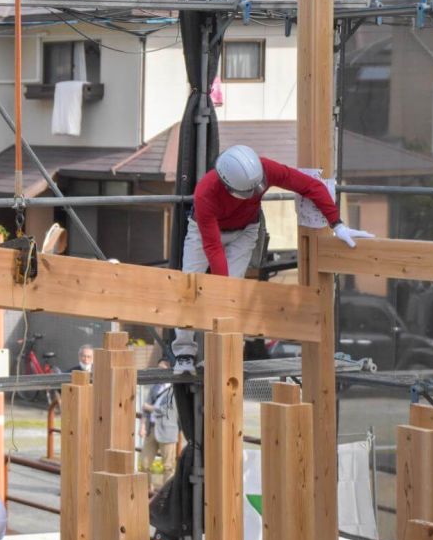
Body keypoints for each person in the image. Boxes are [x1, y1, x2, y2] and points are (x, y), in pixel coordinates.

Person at [171, 145, 373, 374]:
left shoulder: (265, 170)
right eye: (249, 191)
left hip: (245, 230)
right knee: (188, 286)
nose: (257, 193)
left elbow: (310, 186)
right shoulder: (206, 192)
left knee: (232, 294)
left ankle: (220, 354)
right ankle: (184, 353)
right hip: (204, 232)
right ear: (227, 185)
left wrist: (337, 224)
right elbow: (213, 247)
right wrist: (221, 285)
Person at [140, 359, 179, 490]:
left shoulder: (175, 389)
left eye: (161, 369)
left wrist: (149, 407)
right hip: (151, 430)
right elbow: (144, 409)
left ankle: (166, 493)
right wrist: (142, 426)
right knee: (144, 463)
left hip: (167, 431)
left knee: (168, 466)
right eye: (157, 369)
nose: (158, 372)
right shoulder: (154, 387)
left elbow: (167, 410)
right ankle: (146, 490)